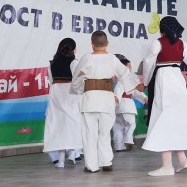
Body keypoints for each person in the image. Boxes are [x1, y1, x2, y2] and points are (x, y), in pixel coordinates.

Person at [141, 17, 187, 176]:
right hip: (177, 78)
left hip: (163, 77)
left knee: (163, 118)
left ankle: (167, 166)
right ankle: (182, 159)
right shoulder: (182, 44)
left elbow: (148, 63)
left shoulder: (158, 43)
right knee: (175, 118)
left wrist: (145, 81)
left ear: (162, 29)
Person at [70, 31, 143, 173]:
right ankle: (106, 161)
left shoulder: (85, 59)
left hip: (89, 100)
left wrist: (78, 90)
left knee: (89, 134)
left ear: (92, 45)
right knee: (104, 133)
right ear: (107, 43)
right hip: (106, 100)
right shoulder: (112, 59)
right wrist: (137, 86)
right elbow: (125, 74)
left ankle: (91, 166)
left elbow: (76, 80)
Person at [43, 38, 83, 168]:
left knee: (58, 125)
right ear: (73, 49)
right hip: (70, 93)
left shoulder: (52, 63)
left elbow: (51, 80)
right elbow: (77, 81)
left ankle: (60, 160)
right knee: (73, 123)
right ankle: (72, 153)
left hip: (56, 93)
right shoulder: (74, 62)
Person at [111, 54, 148, 152]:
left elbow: (134, 91)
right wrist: (144, 97)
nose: (131, 68)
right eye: (129, 66)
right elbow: (132, 91)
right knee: (131, 124)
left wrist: (144, 97)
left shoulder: (117, 79)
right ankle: (128, 140)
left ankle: (119, 146)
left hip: (117, 108)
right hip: (126, 106)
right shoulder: (125, 80)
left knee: (118, 127)